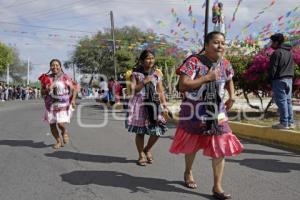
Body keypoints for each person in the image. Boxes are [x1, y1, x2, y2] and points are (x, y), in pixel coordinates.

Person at [169, 31, 243, 199]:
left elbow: (229, 79)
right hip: (194, 108)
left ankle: (217, 187)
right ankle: (188, 172)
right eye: (216, 42)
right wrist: (206, 78)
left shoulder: (225, 63)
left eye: (223, 43)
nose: (220, 46)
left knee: (221, 140)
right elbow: (183, 85)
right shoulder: (193, 61)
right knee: (192, 142)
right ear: (207, 45)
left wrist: (231, 96)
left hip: (217, 109)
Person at [127, 49, 169, 166]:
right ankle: (141, 154)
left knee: (159, 128)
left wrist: (164, 105)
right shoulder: (135, 74)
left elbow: (160, 90)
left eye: (152, 58)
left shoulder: (157, 73)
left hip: (154, 103)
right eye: (147, 58)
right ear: (141, 60)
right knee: (140, 132)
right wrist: (144, 81)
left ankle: (147, 149)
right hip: (139, 104)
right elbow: (134, 90)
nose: (150, 60)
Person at [39, 59, 78, 149]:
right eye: (53, 65)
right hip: (50, 105)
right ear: (50, 67)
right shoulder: (46, 78)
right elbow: (42, 92)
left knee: (60, 124)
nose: (55, 67)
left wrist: (73, 100)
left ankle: (64, 131)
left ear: (60, 67)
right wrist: (48, 89)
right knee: (52, 125)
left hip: (63, 105)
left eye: (57, 65)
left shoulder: (65, 77)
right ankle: (58, 141)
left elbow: (74, 89)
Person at [268, 33, 295, 129]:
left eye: (271, 41)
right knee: (288, 101)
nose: (270, 44)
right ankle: (290, 122)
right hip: (289, 79)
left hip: (279, 80)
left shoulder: (277, 53)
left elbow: (273, 69)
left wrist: (270, 81)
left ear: (276, 42)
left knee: (281, 102)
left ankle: (284, 122)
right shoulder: (289, 52)